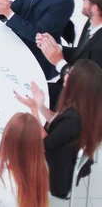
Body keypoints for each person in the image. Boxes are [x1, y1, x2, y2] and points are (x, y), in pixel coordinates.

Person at [15, 59, 102, 198]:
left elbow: (43, 144)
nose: (65, 75)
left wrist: (34, 109)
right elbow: (56, 121)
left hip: (54, 176)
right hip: (60, 161)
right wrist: (41, 105)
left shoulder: (74, 120)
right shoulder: (83, 107)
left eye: (69, 73)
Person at [36, 0, 102, 109]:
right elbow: (82, 54)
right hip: (65, 88)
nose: (82, 0)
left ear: (95, 8)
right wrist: (56, 47)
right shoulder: (92, 23)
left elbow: (89, 87)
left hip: (76, 104)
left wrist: (59, 62)